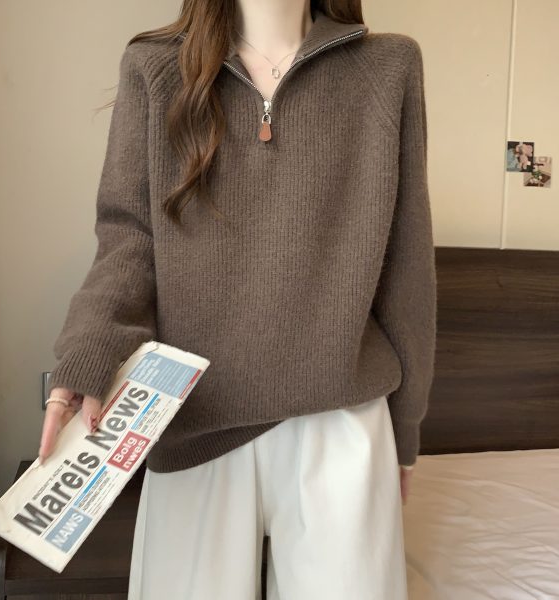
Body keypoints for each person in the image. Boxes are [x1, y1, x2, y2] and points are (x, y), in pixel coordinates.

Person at [39, 0, 437, 598]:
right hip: (194, 415)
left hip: (342, 422)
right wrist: (89, 353)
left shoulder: (388, 66)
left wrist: (406, 432)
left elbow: (407, 260)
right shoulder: (154, 67)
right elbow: (128, 238)